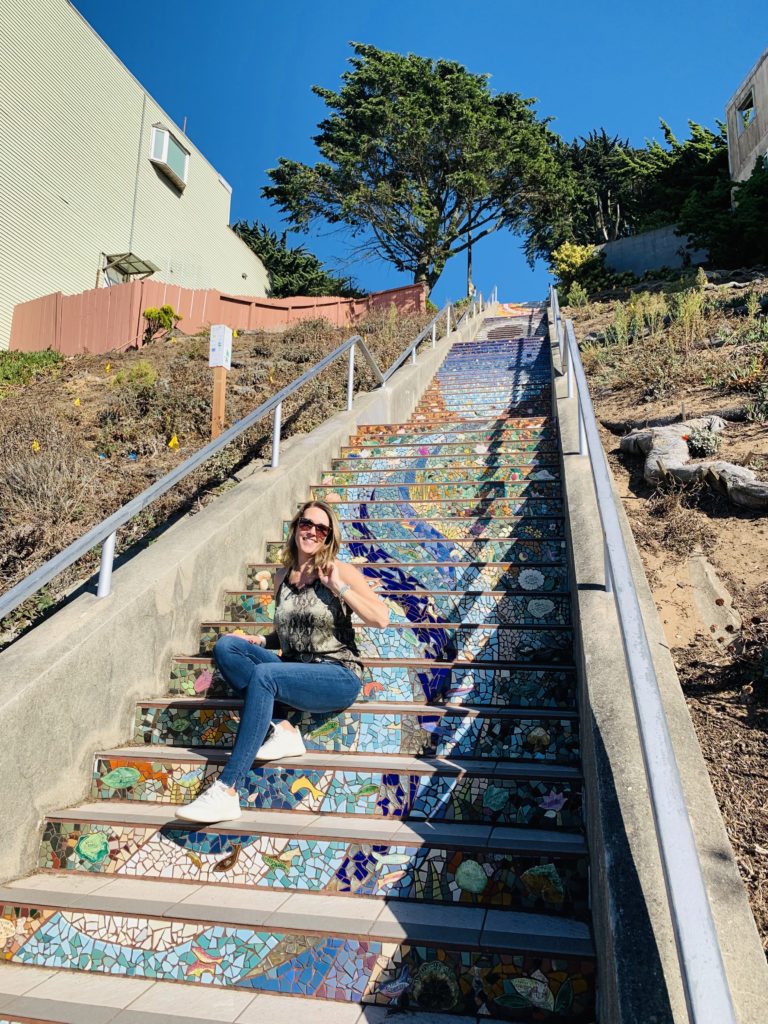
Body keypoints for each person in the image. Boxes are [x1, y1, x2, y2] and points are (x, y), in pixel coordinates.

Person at [178, 499, 389, 823]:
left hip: (337, 675)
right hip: (295, 670)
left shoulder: (339, 570)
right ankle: (285, 727)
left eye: (322, 528)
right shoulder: (282, 578)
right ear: (295, 528)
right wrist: (262, 640)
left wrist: (340, 587)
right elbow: (290, 634)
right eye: (307, 524)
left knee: (264, 675)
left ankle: (226, 790)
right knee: (226, 646)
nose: (313, 532)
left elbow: (381, 618)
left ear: (329, 536)